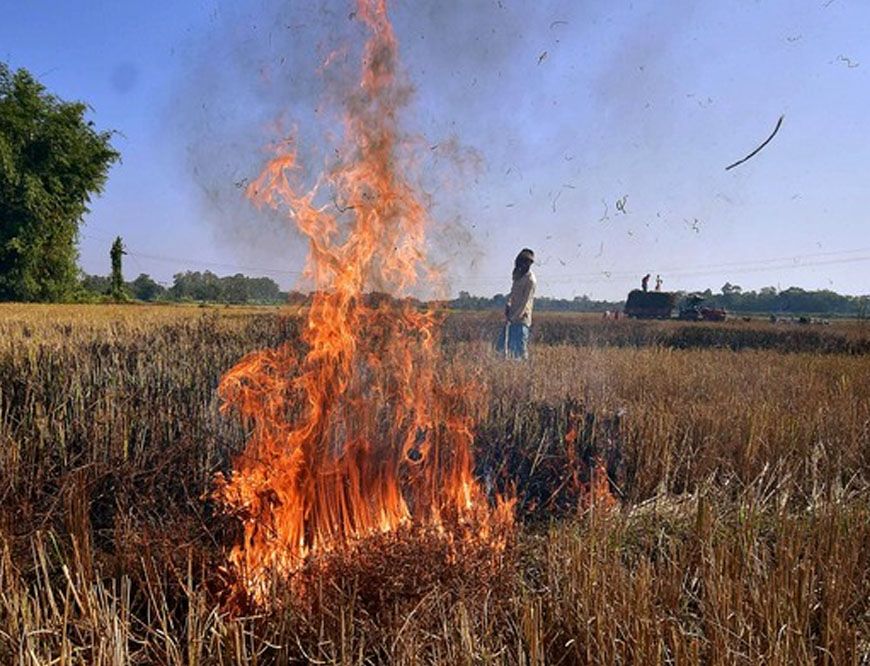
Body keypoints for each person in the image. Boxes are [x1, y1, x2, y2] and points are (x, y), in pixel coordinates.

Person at [498, 248, 537, 359]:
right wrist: (508, 303)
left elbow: (525, 303)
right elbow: (512, 292)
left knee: (518, 352)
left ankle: (521, 372)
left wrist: (513, 318)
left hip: (521, 321)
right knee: (501, 348)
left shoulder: (531, 280)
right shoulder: (518, 275)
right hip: (510, 318)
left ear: (528, 263)